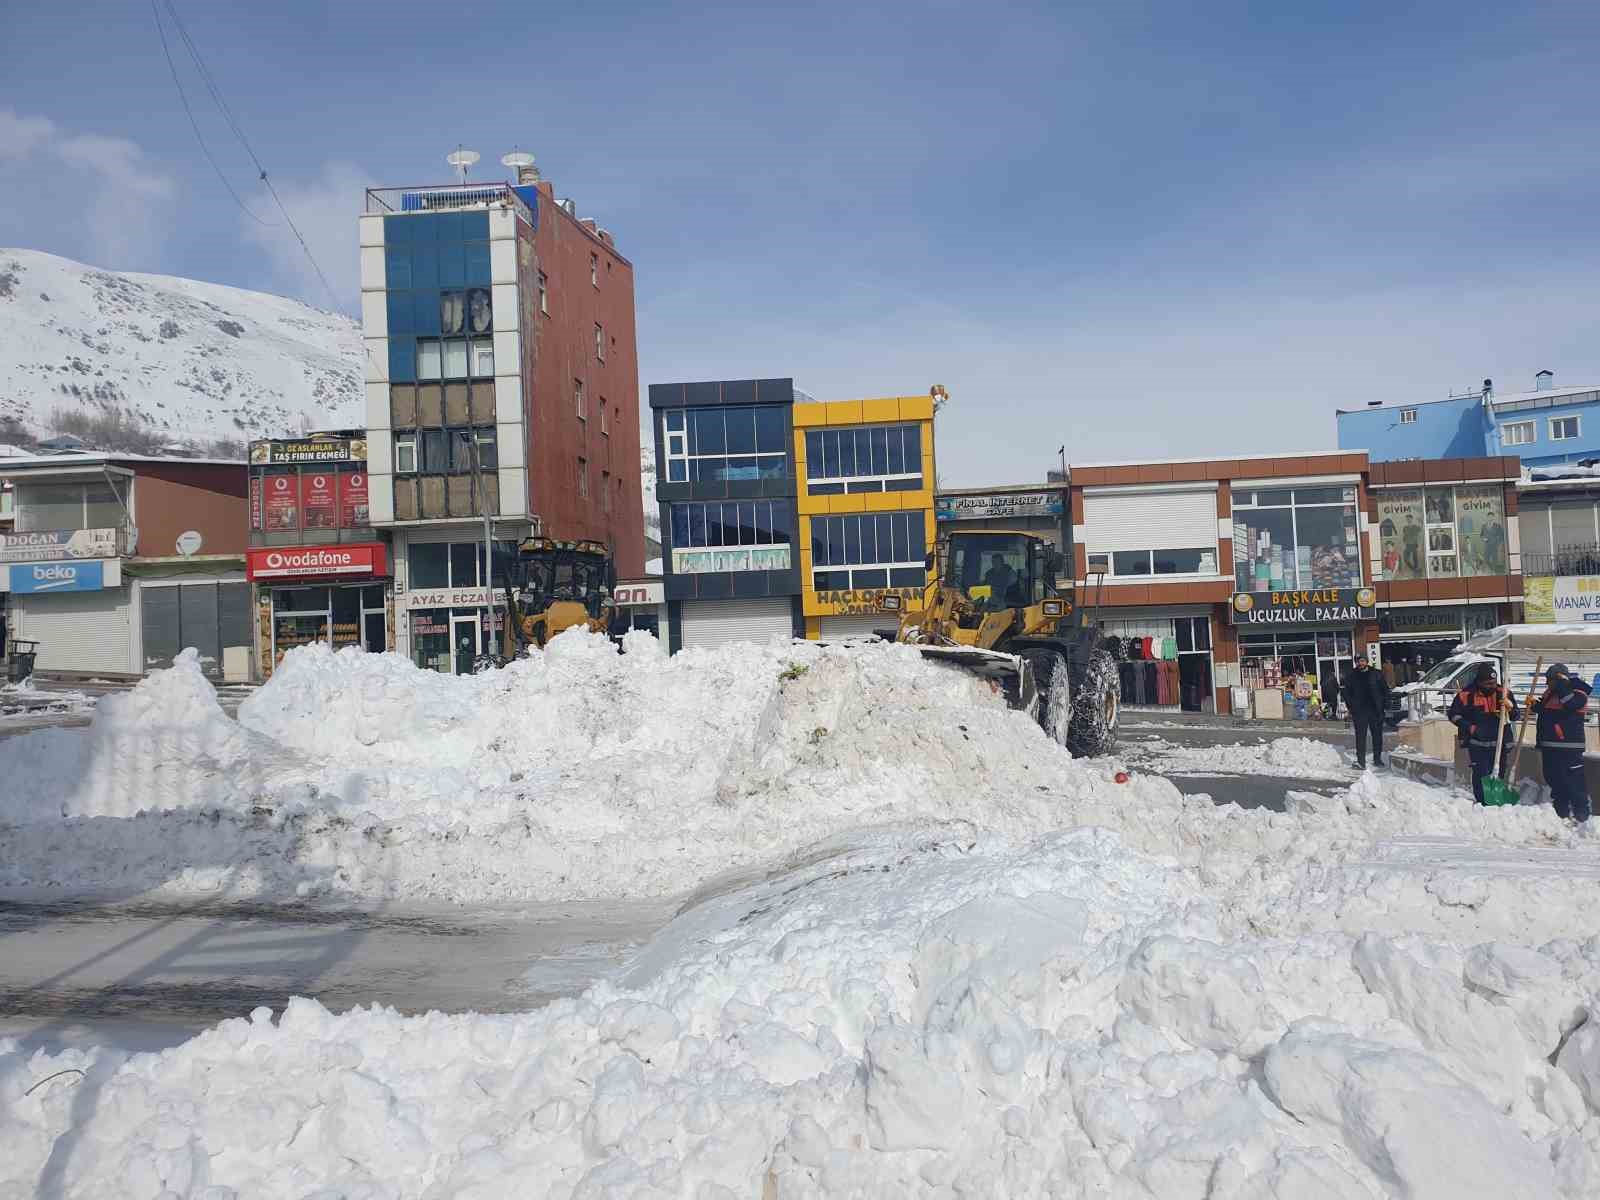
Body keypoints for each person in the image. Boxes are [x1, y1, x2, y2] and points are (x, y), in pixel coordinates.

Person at [1448, 663, 1519, 805]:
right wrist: (1470, 728)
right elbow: (1453, 715)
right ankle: (1483, 802)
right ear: (1479, 682)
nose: (1492, 686)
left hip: (1500, 742)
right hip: (1477, 743)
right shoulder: (1466, 695)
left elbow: (1516, 716)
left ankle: (1496, 799)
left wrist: (1510, 707)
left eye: (1493, 682)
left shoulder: (1503, 693)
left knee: (1499, 773)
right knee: (1481, 773)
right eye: (1488, 684)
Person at [1535, 662, 1592, 825]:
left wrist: (1562, 685)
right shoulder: (1551, 693)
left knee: (1574, 783)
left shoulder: (1579, 692)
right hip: (1549, 746)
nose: (1547, 684)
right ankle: (1561, 813)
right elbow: (1551, 714)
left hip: (1568, 747)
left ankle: (1581, 816)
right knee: (1555, 781)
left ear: (1559, 678)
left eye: (1549, 680)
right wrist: (1538, 707)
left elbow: (1570, 704)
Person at [1343, 657, 1390, 769]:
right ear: (1357, 662)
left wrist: (1384, 705)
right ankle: (1361, 762)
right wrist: (1351, 706)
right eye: (1359, 661)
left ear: (1367, 662)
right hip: (1359, 711)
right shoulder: (1351, 675)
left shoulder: (1376, 674)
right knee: (1360, 737)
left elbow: (1385, 690)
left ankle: (1377, 760)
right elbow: (1346, 692)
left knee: (1377, 736)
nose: (1361, 663)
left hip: (1375, 710)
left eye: (1363, 661)